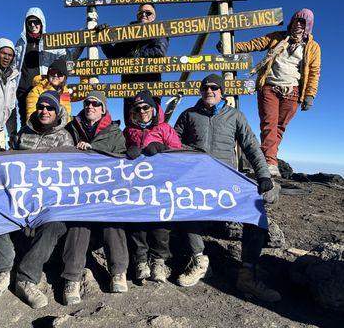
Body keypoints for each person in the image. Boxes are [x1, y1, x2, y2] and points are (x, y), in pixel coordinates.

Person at [174, 73, 279, 302]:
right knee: (182, 208)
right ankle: (199, 260)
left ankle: (247, 274)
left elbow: (251, 146)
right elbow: (173, 143)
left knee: (256, 212)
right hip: (197, 180)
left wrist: (263, 175)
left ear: (222, 91)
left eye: (214, 87)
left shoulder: (235, 116)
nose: (209, 91)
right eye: (205, 88)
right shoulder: (188, 114)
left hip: (225, 182)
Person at [0, 91, 73, 309]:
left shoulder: (64, 137)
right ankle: (4, 270)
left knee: (56, 224)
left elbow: (71, 171)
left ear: (57, 111)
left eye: (50, 108)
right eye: (41, 107)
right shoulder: (23, 133)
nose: (44, 111)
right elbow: (10, 157)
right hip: (19, 196)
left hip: (47, 200)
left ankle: (26, 279)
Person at [234, 9, 321, 177]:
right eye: (296, 20)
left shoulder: (313, 47)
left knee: (279, 128)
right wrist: (233, 47)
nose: (298, 24)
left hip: (293, 91)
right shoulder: (277, 37)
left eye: (302, 22)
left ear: (308, 26)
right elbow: (255, 44)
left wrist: (310, 95)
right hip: (270, 87)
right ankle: (270, 163)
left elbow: (314, 72)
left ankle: (265, 159)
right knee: (269, 125)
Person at [61, 90, 127, 305]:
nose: (90, 107)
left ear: (103, 109)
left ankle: (118, 272)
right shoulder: (72, 127)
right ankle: (71, 278)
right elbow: (61, 151)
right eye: (88, 103)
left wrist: (94, 149)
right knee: (79, 223)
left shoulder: (115, 132)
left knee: (113, 221)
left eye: (96, 104)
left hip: (107, 191)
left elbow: (122, 158)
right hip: (79, 192)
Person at [124, 90, 182, 284]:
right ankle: (140, 260)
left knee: (161, 223)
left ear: (153, 109)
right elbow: (117, 153)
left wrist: (162, 149)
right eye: (138, 108)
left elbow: (179, 152)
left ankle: (158, 260)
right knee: (137, 223)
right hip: (137, 186)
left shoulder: (165, 128)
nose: (142, 111)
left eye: (146, 107)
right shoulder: (128, 131)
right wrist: (126, 152)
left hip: (162, 186)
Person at [99, 3, 169, 124]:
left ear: (154, 16)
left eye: (148, 13)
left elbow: (159, 51)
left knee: (152, 126)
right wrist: (103, 37)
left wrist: (133, 56)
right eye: (140, 13)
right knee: (131, 125)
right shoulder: (128, 32)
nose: (144, 15)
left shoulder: (159, 29)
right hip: (129, 88)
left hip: (150, 88)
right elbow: (113, 54)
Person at [14, 7, 83, 128]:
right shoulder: (20, 43)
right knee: (26, 122)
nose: (33, 25)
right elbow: (14, 65)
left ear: (42, 23)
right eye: (30, 22)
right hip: (23, 89)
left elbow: (69, 58)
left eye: (36, 22)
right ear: (25, 24)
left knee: (47, 120)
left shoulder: (51, 41)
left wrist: (84, 39)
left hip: (44, 87)